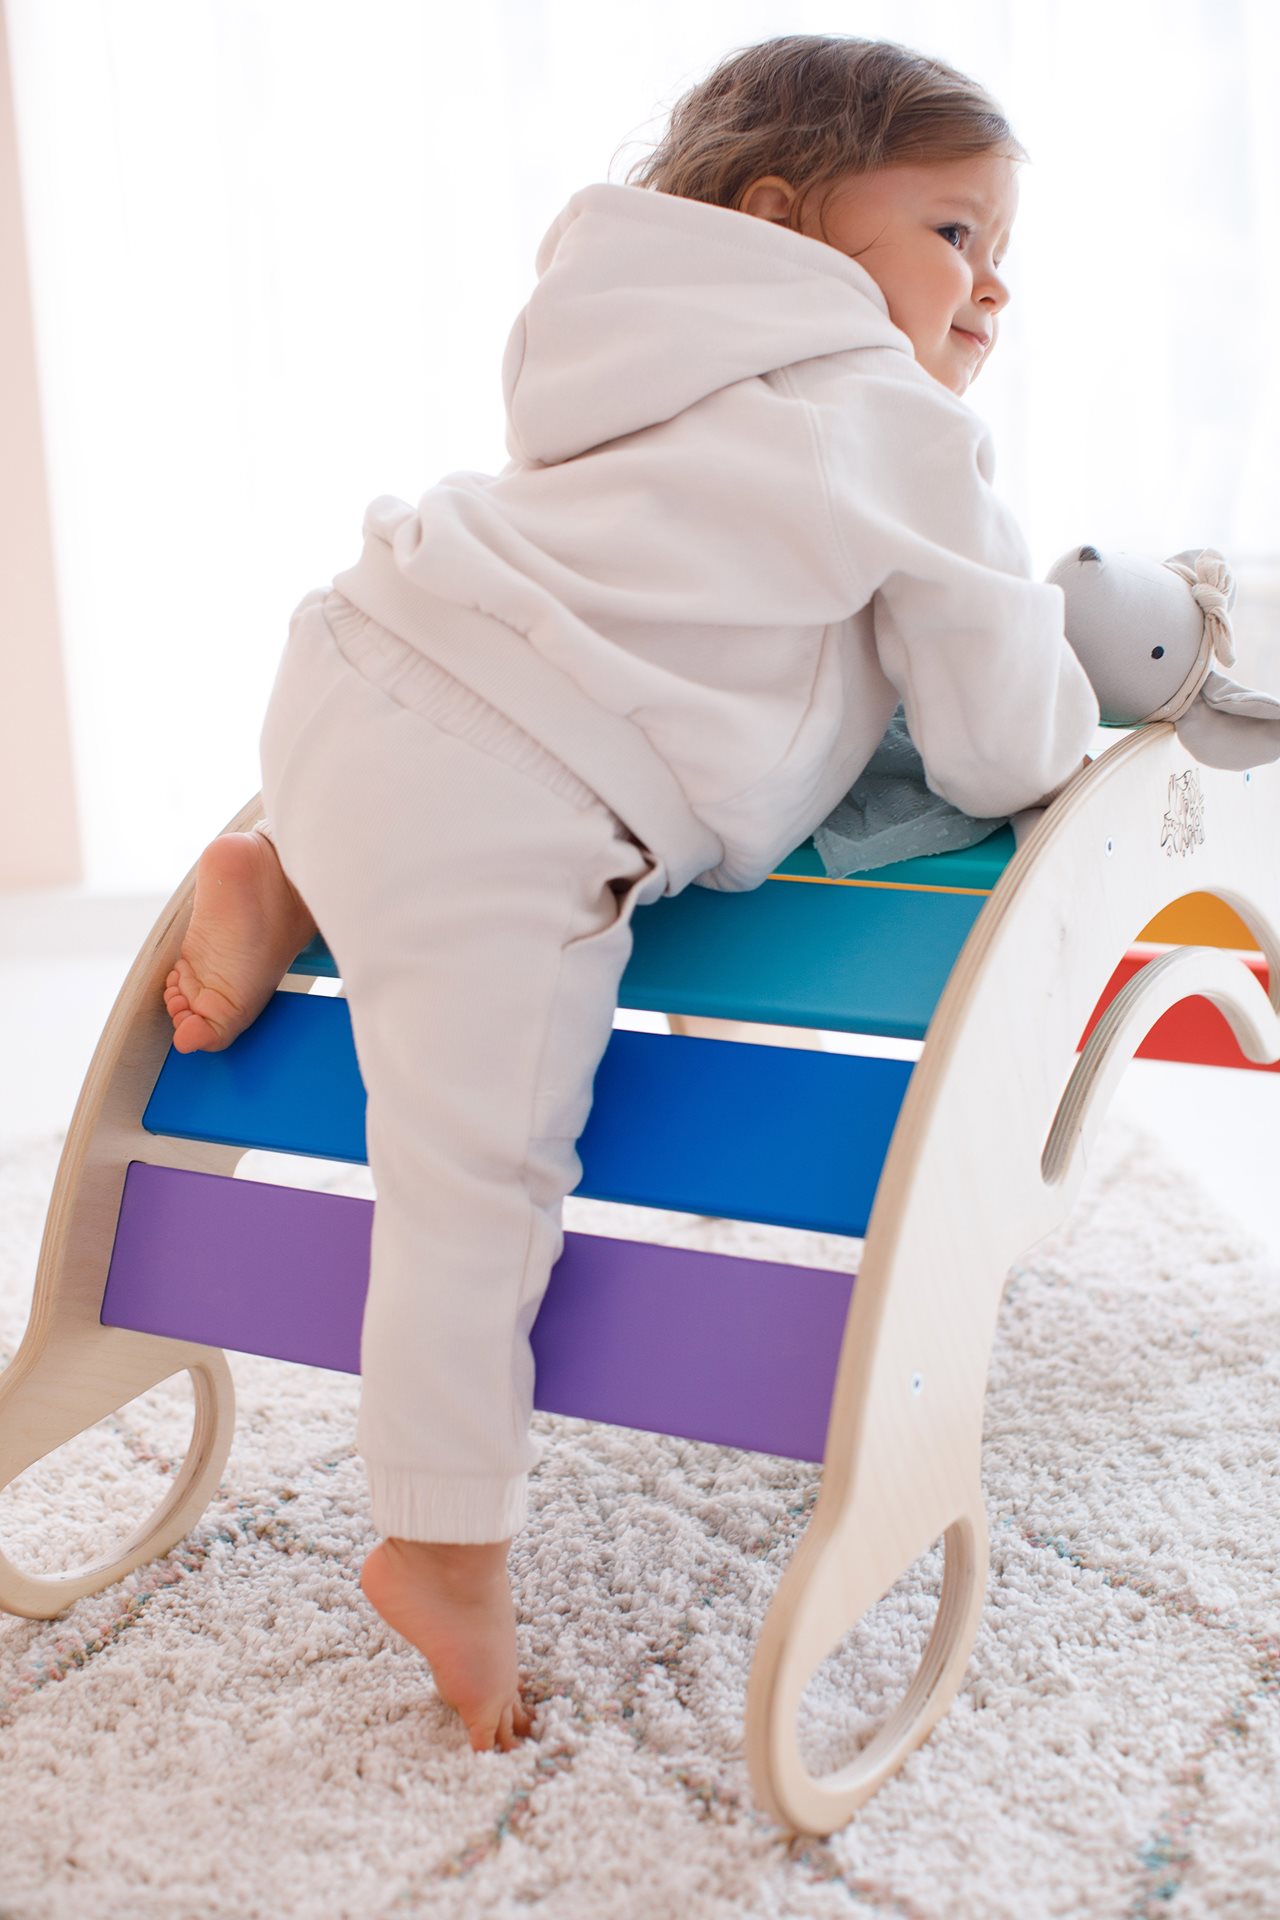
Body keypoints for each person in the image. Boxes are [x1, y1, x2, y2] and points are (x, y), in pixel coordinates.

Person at [162, 34, 1099, 1754]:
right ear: (788, 220)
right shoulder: (892, 416)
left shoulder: (615, 344)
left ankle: (286, 871)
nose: (993, 286)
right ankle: (443, 1542)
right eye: (957, 233)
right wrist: (1067, 694)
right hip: (514, 794)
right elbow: (997, 736)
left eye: (1003, 251)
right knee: (475, 1170)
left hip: (361, 657)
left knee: (410, 841)